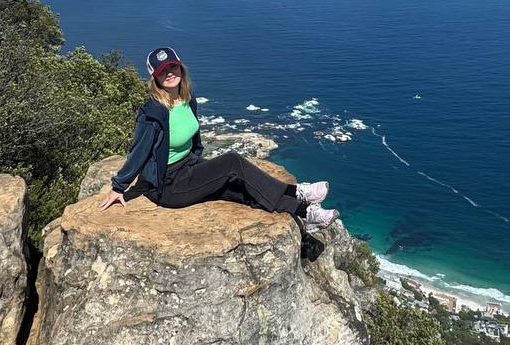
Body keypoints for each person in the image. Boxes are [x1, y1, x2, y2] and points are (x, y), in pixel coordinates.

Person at [99, 46, 337, 227]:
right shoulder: (152, 112)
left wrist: (197, 160)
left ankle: (306, 214)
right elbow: (138, 151)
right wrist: (119, 186)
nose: (170, 74)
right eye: (163, 71)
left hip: (189, 168)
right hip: (168, 186)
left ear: (180, 67)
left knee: (241, 189)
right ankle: (296, 191)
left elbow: (195, 140)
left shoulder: (187, 99)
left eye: (173, 67)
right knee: (232, 162)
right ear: (155, 78)